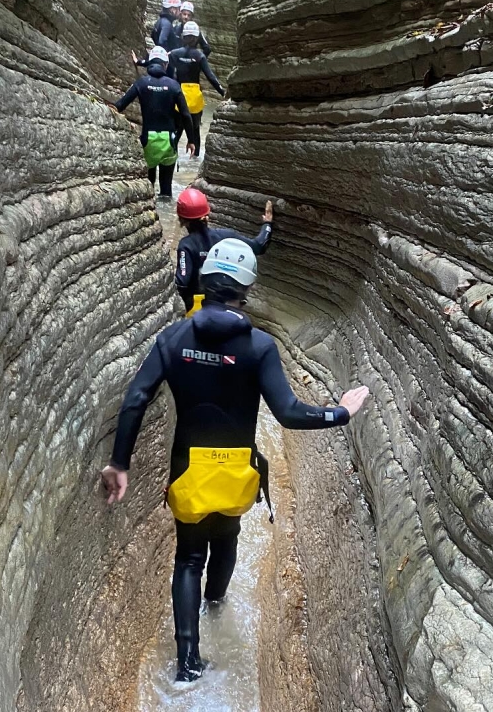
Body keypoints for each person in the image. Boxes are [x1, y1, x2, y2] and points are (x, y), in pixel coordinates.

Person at [102, 240, 370, 682]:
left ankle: (187, 664)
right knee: (226, 539)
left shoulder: (173, 338)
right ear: (246, 288)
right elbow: (288, 413)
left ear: (206, 280)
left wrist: (120, 463)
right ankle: (217, 607)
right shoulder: (259, 347)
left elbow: (135, 399)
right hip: (237, 470)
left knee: (188, 557)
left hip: (188, 469)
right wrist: (340, 412)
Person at [111, 46, 195, 199]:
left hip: (148, 141)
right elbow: (186, 115)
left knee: (149, 188)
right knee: (166, 191)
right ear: (166, 65)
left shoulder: (141, 83)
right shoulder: (174, 85)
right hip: (169, 141)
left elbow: (120, 105)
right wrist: (191, 140)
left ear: (150, 63)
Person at [174, 188, 273, 313]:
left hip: (197, 308)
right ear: (207, 215)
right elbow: (259, 246)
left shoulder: (186, 245)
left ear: (182, 220)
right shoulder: (226, 236)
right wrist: (267, 224)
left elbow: (181, 283)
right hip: (227, 304)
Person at [168, 22, 223, 158]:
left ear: (183, 37)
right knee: (196, 129)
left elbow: (169, 76)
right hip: (195, 97)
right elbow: (211, 77)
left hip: (179, 95)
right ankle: (195, 158)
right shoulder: (200, 56)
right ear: (197, 38)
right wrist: (223, 92)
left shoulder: (174, 54)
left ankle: (169, 158)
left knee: (177, 128)